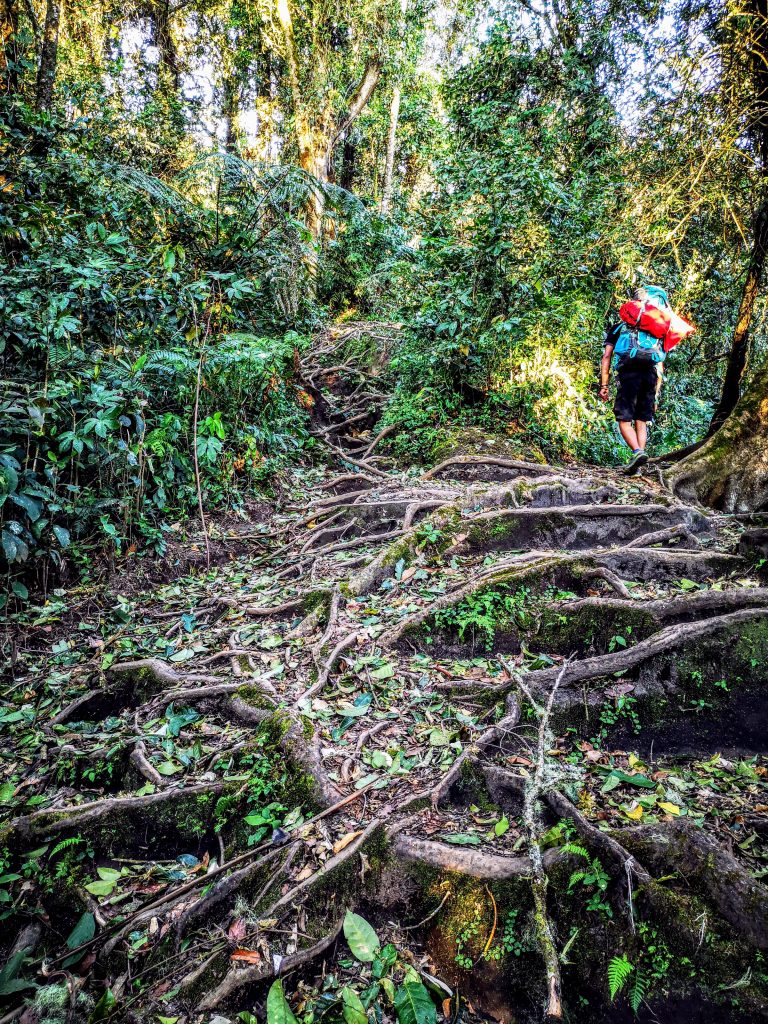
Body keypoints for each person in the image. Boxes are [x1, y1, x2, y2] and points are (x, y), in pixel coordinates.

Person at [599, 286, 668, 475]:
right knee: (641, 421)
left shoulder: (620, 327)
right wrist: (656, 394)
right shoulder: (655, 331)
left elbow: (607, 357)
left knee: (624, 419)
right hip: (650, 375)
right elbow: (659, 364)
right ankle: (640, 462)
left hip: (628, 373)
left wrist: (604, 385)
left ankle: (637, 453)